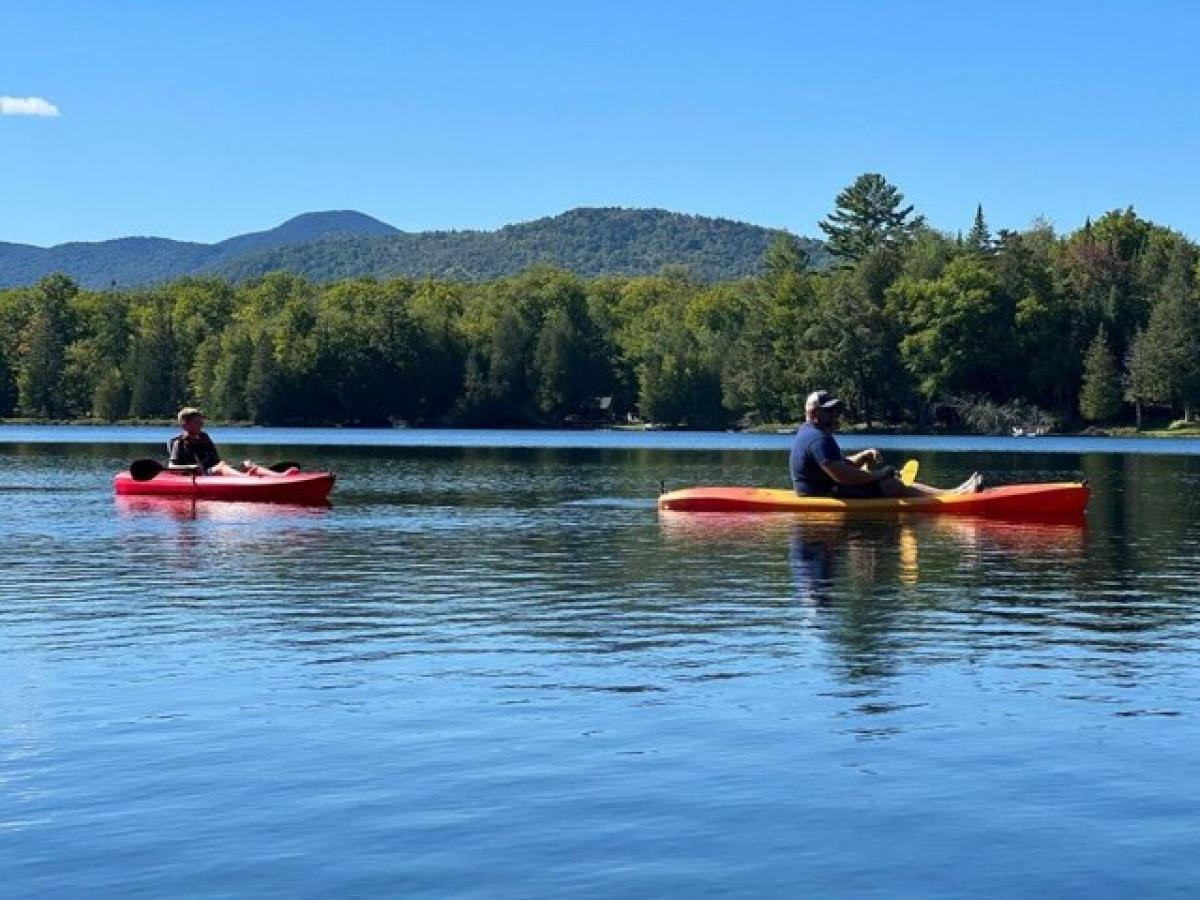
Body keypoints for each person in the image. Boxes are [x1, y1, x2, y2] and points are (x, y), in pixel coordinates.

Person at [790, 390, 981, 498]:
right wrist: (879, 475)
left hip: (826, 489)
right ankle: (953, 496)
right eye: (829, 411)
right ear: (814, 415)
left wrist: (862, 456)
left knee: (888, 480)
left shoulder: (812, 433)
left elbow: (838, 464)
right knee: (890, 484)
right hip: (822, 495)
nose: (835, 415)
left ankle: (953, 493)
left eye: (836, 410)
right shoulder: (818, 439)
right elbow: (843, 476)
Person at [169, 408, 297, 477]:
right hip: (196, 475)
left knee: (247, 463)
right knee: (222, 467)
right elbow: (172, 467)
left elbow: (216, 460)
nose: (201, 425)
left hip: (212, 471)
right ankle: (246, 479)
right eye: (197, 423)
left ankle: (279, 477)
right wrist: (191, 468)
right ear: (185, 425)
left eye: (202, 422)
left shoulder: (204, 437)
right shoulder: (179, 443)